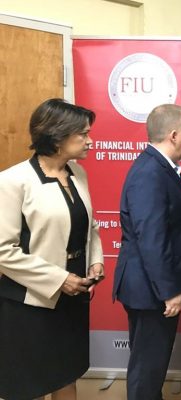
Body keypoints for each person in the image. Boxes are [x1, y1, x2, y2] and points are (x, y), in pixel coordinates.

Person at [0, 98, 105, 400]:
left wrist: (94, 262)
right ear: (58, 138)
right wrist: (60, 279)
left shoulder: (78, 174)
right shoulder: (13, 181)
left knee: (65, 373)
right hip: (29, 303)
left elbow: (90, 226)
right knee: (27, 383)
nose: (90, 140)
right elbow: (4, 251)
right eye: (83, 134)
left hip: (73, 298)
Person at [112, 104, 181, 400]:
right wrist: (169, 290)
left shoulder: (161, 168)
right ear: (174, 135)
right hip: (151, 291)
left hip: (152, 287)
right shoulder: (150, 173)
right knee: (147, 366)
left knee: (152, 364)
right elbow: (152, 238)